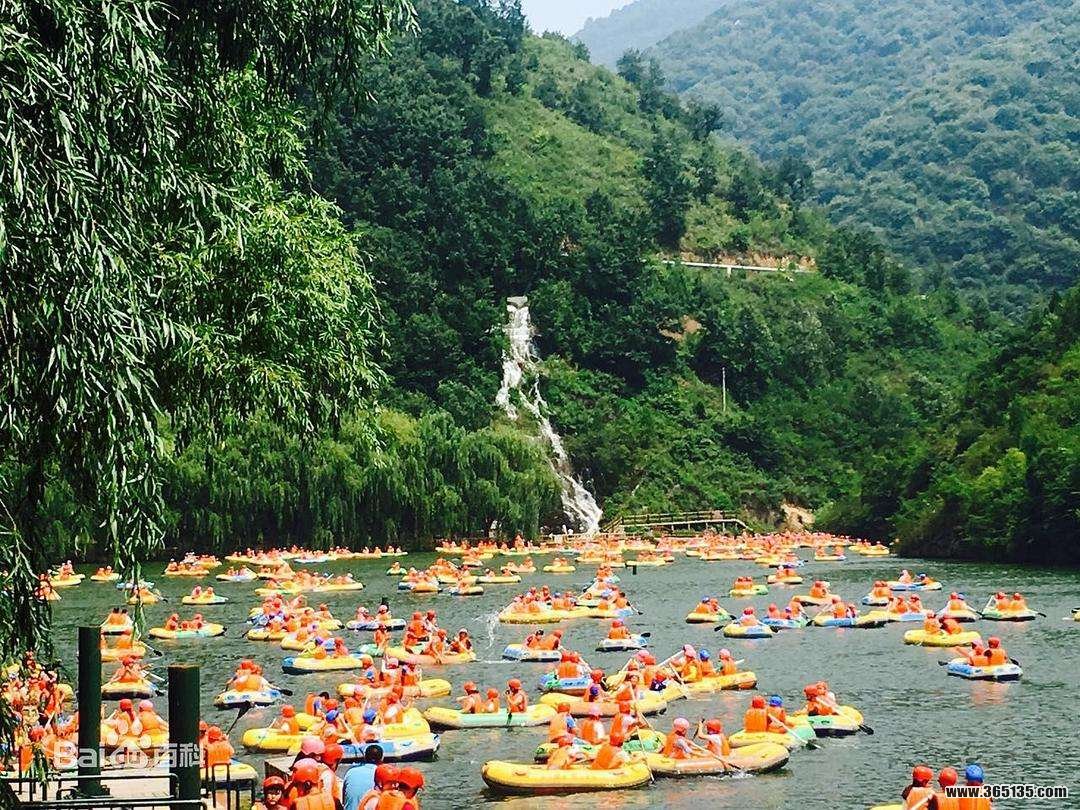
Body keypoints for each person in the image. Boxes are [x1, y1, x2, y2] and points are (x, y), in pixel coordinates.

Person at [343, 746, 383, 810]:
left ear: (365, 757)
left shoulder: (350, 772)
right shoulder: (382, 775)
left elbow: (344, 798)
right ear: (381, 759)